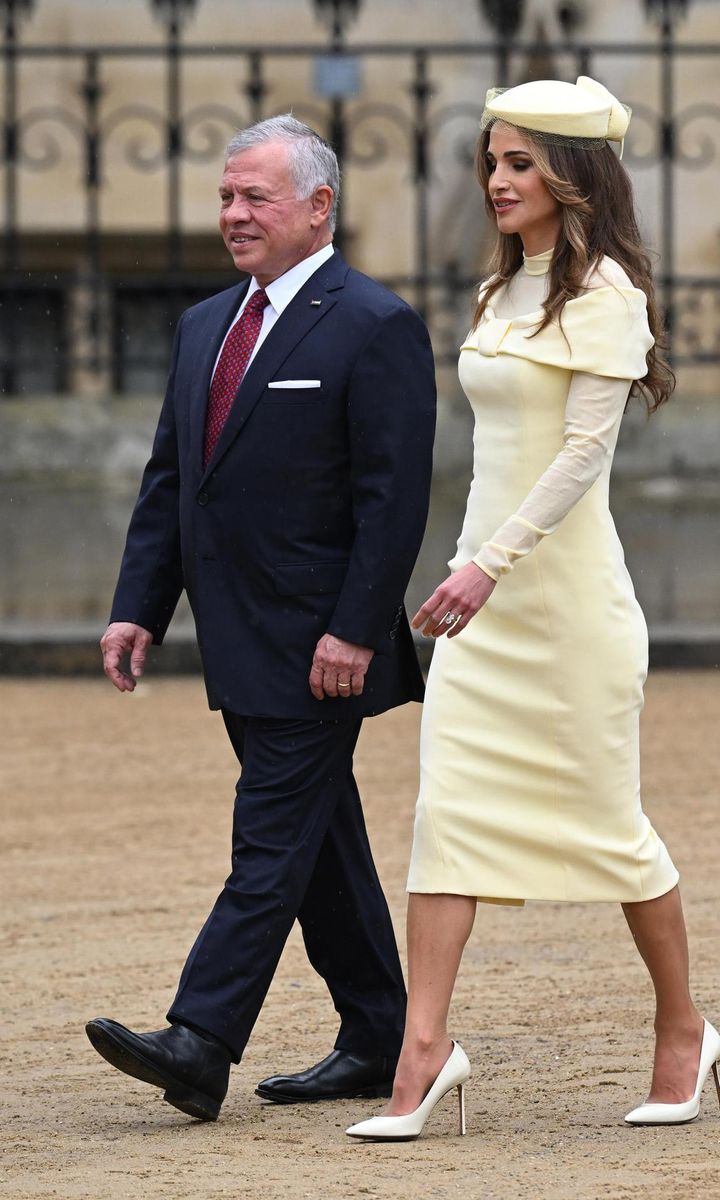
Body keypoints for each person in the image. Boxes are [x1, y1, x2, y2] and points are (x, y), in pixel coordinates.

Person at [346, 76, 720, 1143]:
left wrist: (488, 565)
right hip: (483, 603)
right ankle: (424, 1056)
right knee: (445, 815)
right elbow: (490, 459)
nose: (497, 180)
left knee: (615, 830)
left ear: (570, 173)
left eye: (519, 163)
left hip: (565, 611)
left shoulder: (606, 292)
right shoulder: (497, 293)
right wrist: (470, 564)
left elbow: (583, 454)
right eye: (492, 161)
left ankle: (683, 1032)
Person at [85, 114, 436, 1122]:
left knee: (271, 836)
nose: (234, 214)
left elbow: (392, 496)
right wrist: (137, 609)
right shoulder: (203, 325)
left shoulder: (375, 323)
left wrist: (358, 628)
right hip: (235, 637)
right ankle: (377, 1033)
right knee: (319, 839)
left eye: (256, 197)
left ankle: (200, 1039)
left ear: (320, 206)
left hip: (325, 644)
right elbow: (174, 483)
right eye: (228, 197)